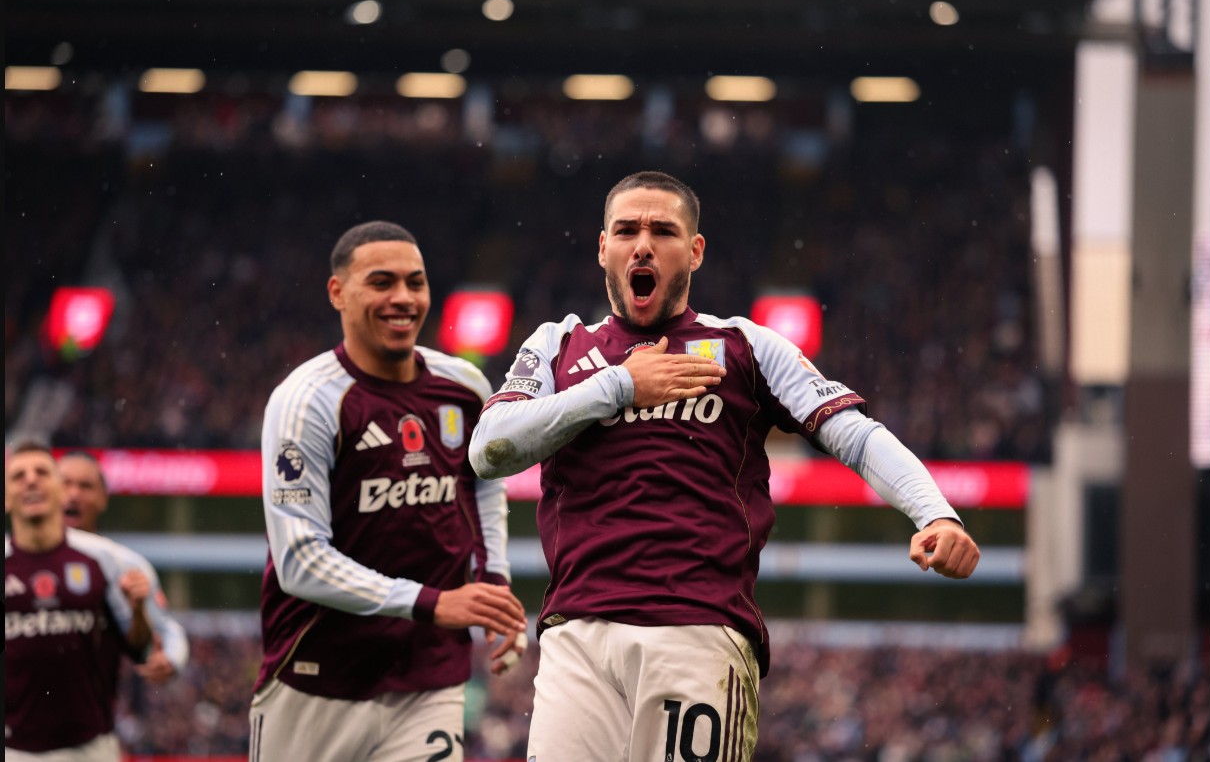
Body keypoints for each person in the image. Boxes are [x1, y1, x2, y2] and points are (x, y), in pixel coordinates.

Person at [469, 170, 982, 760]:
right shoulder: (557, 345)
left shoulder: (747, 346)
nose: (643, 243)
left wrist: (936, 513)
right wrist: (617, 387)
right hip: (575, 636)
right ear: (602, 246)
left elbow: (856, 436)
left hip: (698, 630)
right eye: (626, 229)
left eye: (663, 230)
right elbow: (488, 450)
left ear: (695, 250)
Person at [250, 220, 529, 762]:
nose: (403, 298)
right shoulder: (306, 401)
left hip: (429, 679)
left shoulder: (467, 388)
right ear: (338, 292)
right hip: (316, 678)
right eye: (381, 282)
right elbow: (299, 561)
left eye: (415, 282)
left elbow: (486, 487)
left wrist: (493, 582)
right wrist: (432, 603)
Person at [4, 440, 158, 761]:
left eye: (42, 472)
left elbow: (139, 648)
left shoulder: (101, 563)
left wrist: (139, 609)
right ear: (6, 498)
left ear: (60, 491)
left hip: (91, 749)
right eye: (19, 476)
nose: (31, 480)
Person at [59, 449, 190, 684]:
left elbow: (166, 630)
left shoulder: (124, 564)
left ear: (103, 498)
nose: (73, 494)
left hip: (92, 709)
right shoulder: (13, 558)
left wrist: (170, 658)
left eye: (85, 486)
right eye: (64, 483)